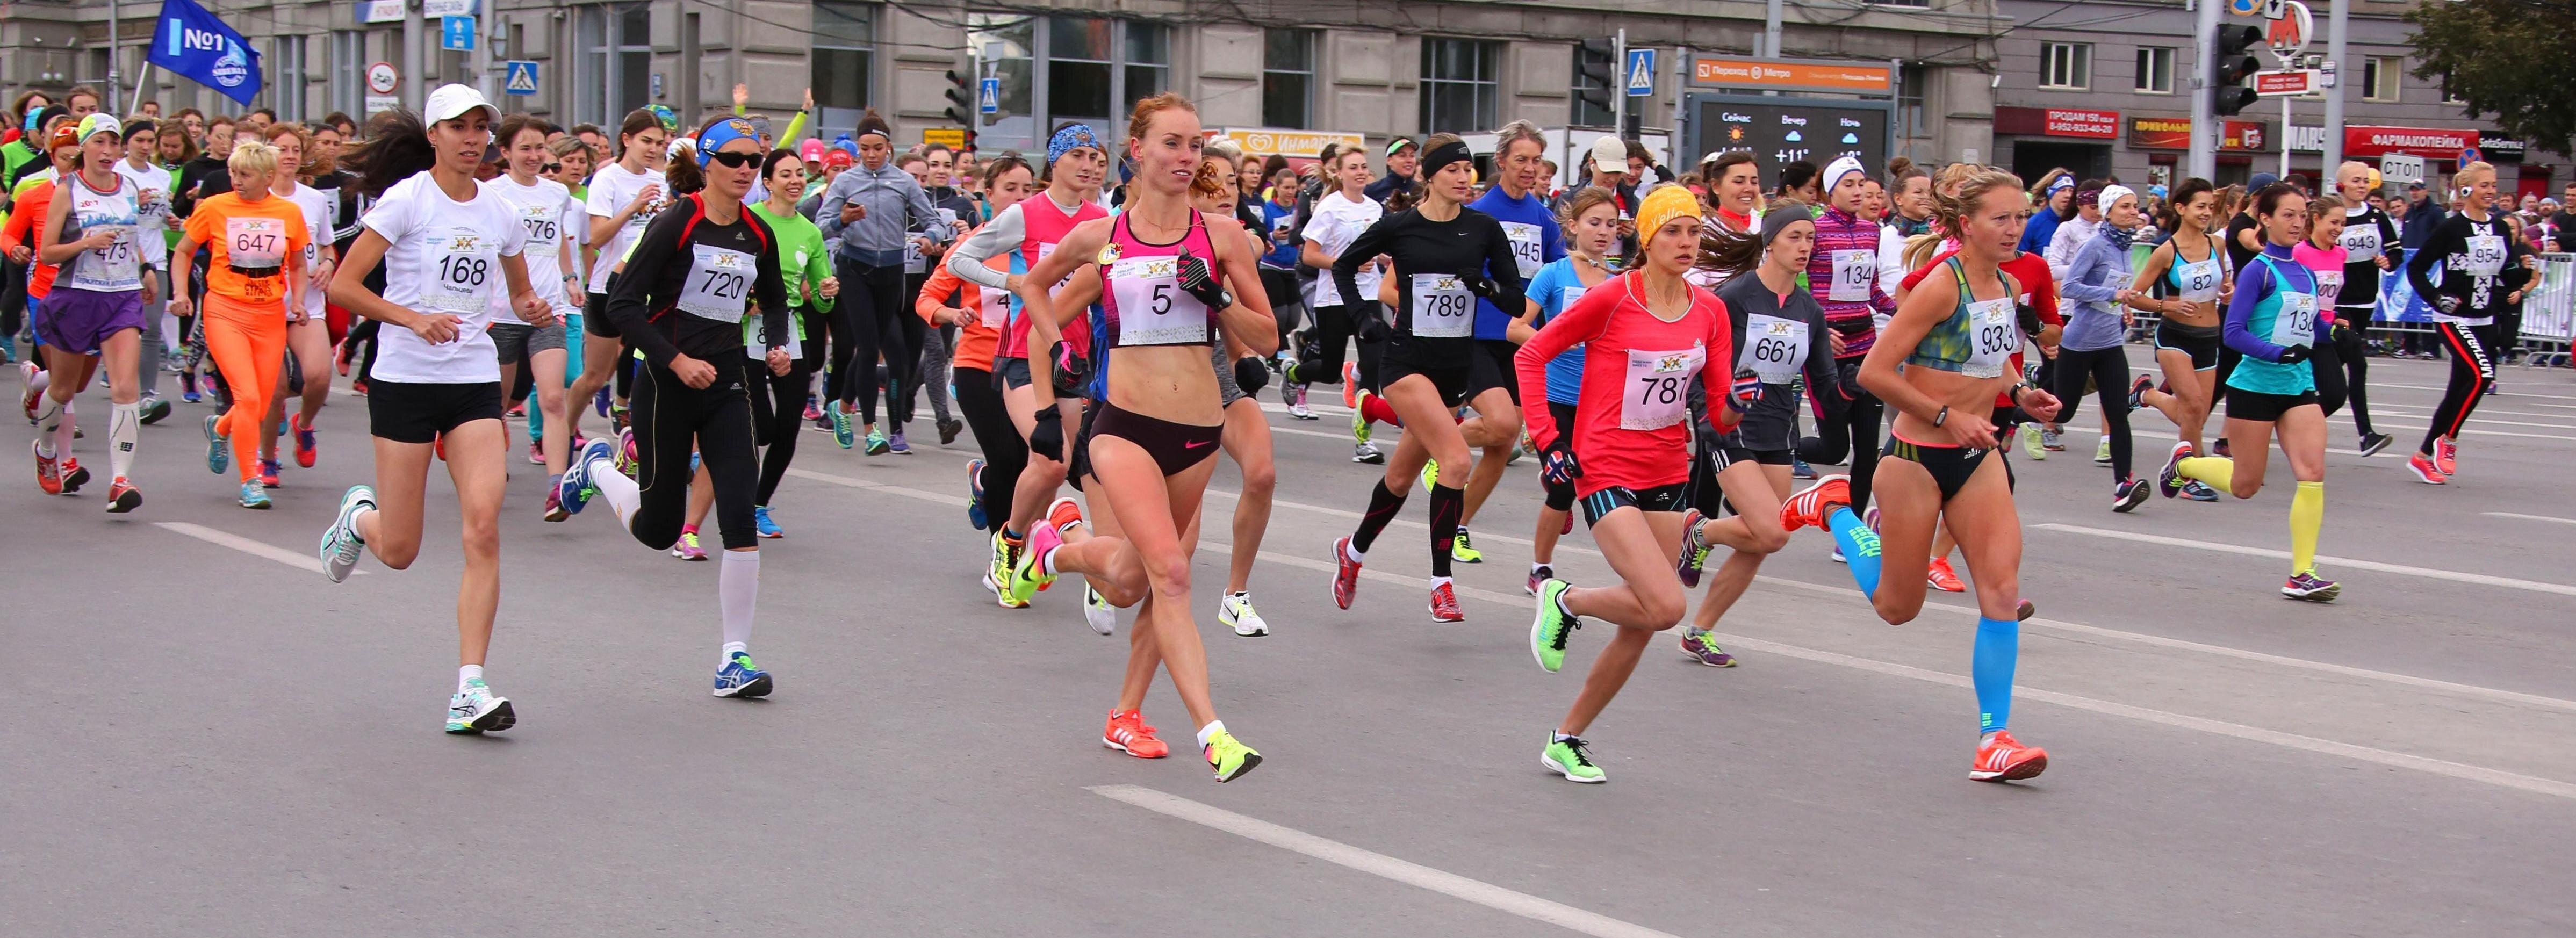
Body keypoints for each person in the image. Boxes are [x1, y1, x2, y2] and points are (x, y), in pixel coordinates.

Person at [1003, 92, 1276, 782]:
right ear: (1139, 153)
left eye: (1195, 145)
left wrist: (1215, 298)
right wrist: (1056, 360)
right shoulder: (1104, 237)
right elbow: (1033, 289)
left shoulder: (1222, 237)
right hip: (1121, 430)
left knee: (1133, 582)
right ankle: (1214, 733)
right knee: (1174, 573)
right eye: (1173, 144)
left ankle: (1051, 553)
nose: (1186, 158)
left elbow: (1267, 336)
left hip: (1198, 434)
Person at [1783, 167, 2062, 781]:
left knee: (2001, 592)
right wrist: (1945, 415)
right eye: (2001, 218)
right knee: (1896, 608)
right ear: (1967, 225)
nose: (2015, 229)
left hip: (1977, 458)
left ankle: (1996, 739)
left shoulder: (2007, 285)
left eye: (2020, 216)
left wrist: (2023, 393)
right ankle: (1833, 507)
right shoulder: (1941, 285)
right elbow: (1875, 374)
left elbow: (1993, 360)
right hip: (1914, 461)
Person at [316, 85, 553, 733]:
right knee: (400, 550)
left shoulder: (501, 212)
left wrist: (532, 308)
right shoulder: (407, 200)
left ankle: (469, 688)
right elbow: (343, 285)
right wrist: (411, 318)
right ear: (435, 136)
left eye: (482, 128)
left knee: (483, 526)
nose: (473, 139)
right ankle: (360, 518)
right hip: (404, 380)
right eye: (460, 128)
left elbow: (520, 292)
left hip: (474, 381)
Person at [554, 114, 792, 698]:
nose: (744, 171)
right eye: (732, 160)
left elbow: (777, 298)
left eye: (753, 161)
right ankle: (597, 470)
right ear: (706, 163)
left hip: (727, 381)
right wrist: (675, 360)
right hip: (664, 383)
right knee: (659, 530)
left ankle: (733, 658)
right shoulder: (676, 223)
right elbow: (623, 306)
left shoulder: (757, 233)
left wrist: (778, 345)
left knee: (739, 512)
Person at [1519, 185, 1742, 782]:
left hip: (1669, 469)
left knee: (1642, 621)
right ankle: (1564, 600)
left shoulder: (1709, 310)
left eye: (1694, 232)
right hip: (1605, 466)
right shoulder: (1612, 298)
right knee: (1666, 605)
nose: (1686, 243)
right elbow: (1531, 357)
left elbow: (1717, 411)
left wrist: (1738, 404)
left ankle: (1567, 738)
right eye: (1673, 231)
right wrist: (1548, 440)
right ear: (1646, 238)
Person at [1326, 133, 1527, 623]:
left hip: (1457, 362)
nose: (1464, 178)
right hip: (1407, 359)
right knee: (1455, 461)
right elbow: (1345, 267)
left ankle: (1351, 553)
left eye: (1468, 171)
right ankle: (1441, 585)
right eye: (1453, 170)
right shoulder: (1399, 226)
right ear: (1430, 176)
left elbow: (1516, 302)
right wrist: (1363, 318)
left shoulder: (1483, 228)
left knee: (1398, 478)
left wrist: (1487, 287)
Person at [943, 122, 1111, 611]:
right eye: (1077, 154)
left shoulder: (1102, 219)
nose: (1087, 164)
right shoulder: (1026, 214)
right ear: (1055, 161)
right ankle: (1010, 544)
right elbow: (960, 260)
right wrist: (1015, 282)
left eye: (1094, 155)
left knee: (1064, 468)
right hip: (1023, 351)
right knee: (1052, 456)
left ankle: (1023, 540)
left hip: (1076, 355)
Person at [2157, 182, 2340, 602]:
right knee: (2245, 485)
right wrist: (2277, 354)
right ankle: (2187, 464)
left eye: (2302, 215)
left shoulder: (2306, 272)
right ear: (2266, 219)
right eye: (2288, 215)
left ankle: (2302, 573)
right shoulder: (2259, 270)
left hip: (2299, 386)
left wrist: (2335, 335)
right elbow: (2234, 333)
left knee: (2312, 475)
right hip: (2255, 386)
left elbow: (2310, 328)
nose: (2298, 223)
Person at [1443, 120, 1562, 567]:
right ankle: (1442, 444)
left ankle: (1456, 523)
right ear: (1501, 162)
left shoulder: (1544, 217)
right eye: (1521, 160)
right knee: (1502, 426)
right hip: (1478, 334)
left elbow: (1559, 275)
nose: (1530, 168)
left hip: (1521, 339)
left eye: (1536, 161)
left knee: (1502, 441)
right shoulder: (1478, 213)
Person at [168, 136, 308, 508]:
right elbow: (183, 252)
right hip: (225, 311)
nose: (237, 180)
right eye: (233, 172)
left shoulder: (288, 213)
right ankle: (251, 480)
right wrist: (181, 294)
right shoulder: (215, 207)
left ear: (267, 176)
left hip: (270, 315)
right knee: (246, 396)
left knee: (262, 403)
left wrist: (299, 302)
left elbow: (297, 263)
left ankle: (220, 427)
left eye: (245, 174)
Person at [29, 114, 156, 510]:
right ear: (83, 147)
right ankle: (46, 446)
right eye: (99, 142)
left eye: (113, 143)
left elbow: (128, 238)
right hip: (77, 295)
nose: (107, 151)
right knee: (65, 390)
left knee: (125, 387)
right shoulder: (67, 191)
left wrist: (146, 268)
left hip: (122, 296)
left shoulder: (130, 187)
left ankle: (121, 480)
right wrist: (85, 244)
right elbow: (47, 252)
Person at [1183, 148, 1284, 637]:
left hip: (1219, 373)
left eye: (1232, 184)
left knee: (1262, 473)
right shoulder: (1153, 236)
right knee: (1180, 537)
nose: (1226, 193)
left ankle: (1236, 595)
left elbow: (1246, 315)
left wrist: (1243, 356)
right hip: (1164, 384)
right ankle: (1072, 553)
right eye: (1213, 183)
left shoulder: (1237, 242)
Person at [816, 110, 953, 454]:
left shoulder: (904, 182)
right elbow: (820, 227)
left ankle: (842, 407)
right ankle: (872, 429)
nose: (871, 154)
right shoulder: (847, 181)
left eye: (878, 147)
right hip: (856, 268)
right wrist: (843, 219)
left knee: (881, 347)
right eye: (865, 148)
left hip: (891, 272)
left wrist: (930, 238)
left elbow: (933, 221)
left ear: (889, 147)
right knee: (867, 344)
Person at [917, 155, 1034, 542]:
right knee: (1005, 457)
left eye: (1027, 190)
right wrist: (951, 316)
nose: (1019, 198)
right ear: (989, 194)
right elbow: (927, 298)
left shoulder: (1042, 246)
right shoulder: (973, 245)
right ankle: (1004, 551)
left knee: (1025, 461)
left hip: (1026, 367)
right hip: (978, 365)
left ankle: (983, 481)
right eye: (1010, 189)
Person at [474, 114, 582, 519]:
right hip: (501, 313)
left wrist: (570, 280)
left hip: (548, 311)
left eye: (540, 148)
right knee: (496, 404)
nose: (535, 156)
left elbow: (559, 243)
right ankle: (484, 467)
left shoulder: (557, 194)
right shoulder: (490, 193)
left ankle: (558, 487)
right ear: (505, 152)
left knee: (554, 398)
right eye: (525, 148)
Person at [2401, 161, 2529, 484]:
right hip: (2453, 318)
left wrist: (2525, 271)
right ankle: (2450, 439)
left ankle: (2423, 456)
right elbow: (2416, 269)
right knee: (2483, 376)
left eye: (2493, 185)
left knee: (2459, 390)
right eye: (2485, 185)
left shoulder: (2500, 228)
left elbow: (2506, 273)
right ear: (2467, 190)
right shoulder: (2450, 228)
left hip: (2486, 318)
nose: (2491, 191)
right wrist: (2435, 298)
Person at [1519, 188, 1621, 593]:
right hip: (1556, 397)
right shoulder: (1554, 274)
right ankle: (1539, 567)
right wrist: (1557, 339)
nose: (1603, 232)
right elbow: (1517, 327)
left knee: (1604, 486)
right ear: (1573, 226)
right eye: (1594, 223)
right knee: (1562, 487)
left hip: (1602, 403)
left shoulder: (1619, 280)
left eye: (1611, 224)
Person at [1793, 157, 1893, 555]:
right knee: (1835, 449)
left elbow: (1871, 291)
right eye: (1848, 184)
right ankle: (1774, 448)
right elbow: (1799, 287)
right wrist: (1818, 330)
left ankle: (1849, 535)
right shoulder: (1815, 231)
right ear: (1829, 191)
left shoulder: (1872, 232)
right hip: (1827, 354)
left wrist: (1908, 315)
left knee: (1868, 447)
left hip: (1865, 347)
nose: (1858, 191)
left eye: (1862, 184)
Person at [745, 147, 838, 536]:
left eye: (800, 174)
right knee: (761, 428)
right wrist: (747, 300)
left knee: (787, 428)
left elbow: (819, 297)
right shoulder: (749, 220)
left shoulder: (810, 231)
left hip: (791, 330)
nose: (796, 181)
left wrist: (828, 291)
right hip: (745, 330)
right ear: (768, 182)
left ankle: (758, 505)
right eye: (785, 174)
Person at [563, 109, 668, 445]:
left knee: (653, 366)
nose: (653, 149)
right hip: (609, 287)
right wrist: (633, 208)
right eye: (645, 141)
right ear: (627, 140)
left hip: (650, 290)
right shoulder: (608, 179)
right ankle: (562, 430)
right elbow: (596, 238)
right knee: (595, 377)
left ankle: (638, 428)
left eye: (659, 143)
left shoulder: (662, 181)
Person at [247, 123, 341, 487]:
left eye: (295, 151)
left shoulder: (313, 200)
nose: (288, 157)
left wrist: (329, 265)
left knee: (318, 376)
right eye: (281, 149)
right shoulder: (252, 197)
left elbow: (327, 246)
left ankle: (303, 426)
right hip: (263, 304)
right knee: (274, 390)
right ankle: (267, 459)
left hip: (307, 304)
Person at [1284, 146, 1389, 463]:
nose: (1360, 172)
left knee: (1373, 363)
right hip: (1335, 297)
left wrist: (1385, 256)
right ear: (1339, 173)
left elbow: (1378, 248)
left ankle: (1364, 440)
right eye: (1353, 167)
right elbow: (1310, 255)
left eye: (1364, 167)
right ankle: (1294, 375)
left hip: (1368, 296)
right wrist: (1349, 264)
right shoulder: (1330, 207)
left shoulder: (1375, 208)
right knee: (1330, 371)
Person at [2130, 178, 2232, 493]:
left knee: (2197, 414)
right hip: (2175, 337)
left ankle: (2147, 394)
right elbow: (2135, 296)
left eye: (2210, 208)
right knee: (2193, 405)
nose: (2206, 213)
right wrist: (2166, 306)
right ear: (2181, 208)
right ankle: (2190, 477)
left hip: (2209, 336)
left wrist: (2228, 291)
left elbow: (2223, 284)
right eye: (2200, 207)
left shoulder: (2217, 244)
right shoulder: (2166, 252)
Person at [2055, 184, 2152, 509]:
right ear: (2108, 211)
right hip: (2080, 342)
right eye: (2125, 206)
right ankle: (2013, 418)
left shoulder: (2127, 247)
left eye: (2135, 205)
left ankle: (2123, 485)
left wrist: (2120, 305)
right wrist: (2111, 296)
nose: (2133, 211)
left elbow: (2116, 287)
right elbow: (2069, 287)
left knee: (2118, 413)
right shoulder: (2095, 245)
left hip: (2111, 342)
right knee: (2063, 411)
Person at [2327, 163, 2398, 456]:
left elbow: (2396, 250)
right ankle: (2365, 433)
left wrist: (2389, 261)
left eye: (2366, 181)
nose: (2362, 185)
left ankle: (2295, 414)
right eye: (2356, 180)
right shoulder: (2332, 213)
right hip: (2337, 301)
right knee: (2358, 363)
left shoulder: (2377, 216)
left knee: (2335, 367)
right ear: (2341, 184)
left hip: (2365, 300)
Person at [1364, 135, 1417, 204]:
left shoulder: (1423, 191)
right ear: (1389, 160)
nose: (1409, 160)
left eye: (1412, 156)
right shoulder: (1371, 191)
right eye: (1403, 156)